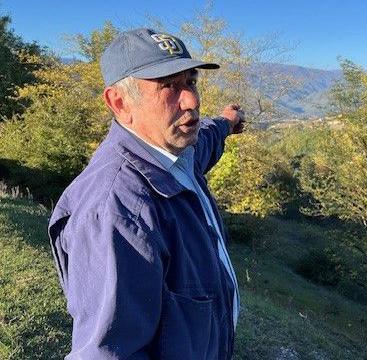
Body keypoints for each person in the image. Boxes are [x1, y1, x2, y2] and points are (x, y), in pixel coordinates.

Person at [48, 28, 243, 359]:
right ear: (120, 103)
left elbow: (206, 140)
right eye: (169, 86)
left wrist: (227, 122)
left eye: (191, 81)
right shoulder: (116, 213)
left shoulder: (176, 152)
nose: (192, 100)